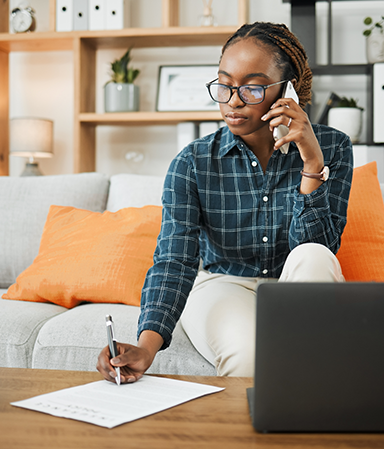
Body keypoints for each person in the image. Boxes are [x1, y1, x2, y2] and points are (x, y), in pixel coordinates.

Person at [97, 22, 353, 382]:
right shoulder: (192, 162)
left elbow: (321, 250)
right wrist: (147, 345)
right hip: (221, 284)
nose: (233, 101)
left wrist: (312, 164)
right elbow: (174, 260)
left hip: (297, 283)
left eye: (251, 87)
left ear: (288, 89)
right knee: (248, 353)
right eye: (225, 85)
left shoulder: (334, 147)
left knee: (313, 255)